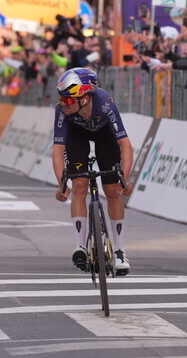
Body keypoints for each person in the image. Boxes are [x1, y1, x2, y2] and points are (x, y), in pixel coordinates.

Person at [52, 67, 134, 275]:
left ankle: (120, 251)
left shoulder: (105, 103)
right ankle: (80, 245)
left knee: (113, 191)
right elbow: (58, 149)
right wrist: (62, 184)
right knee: (79, 185)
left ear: (85, 98)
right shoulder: (62, 111)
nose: (63, 104)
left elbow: (125, 144)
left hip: (105, 134)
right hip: (76, 134)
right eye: (61, 99)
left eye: (69, 100)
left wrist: (124, 177)